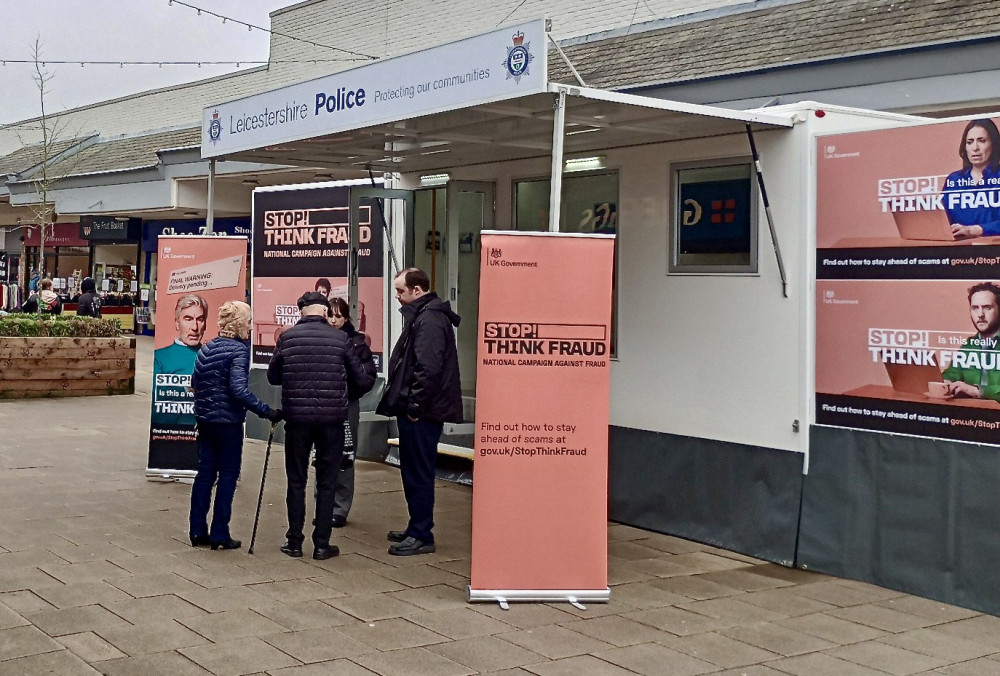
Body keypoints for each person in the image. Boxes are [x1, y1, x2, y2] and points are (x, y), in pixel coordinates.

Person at [267, 291, 374, 560]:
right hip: (332, 422)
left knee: (296, 480)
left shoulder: (288, 338)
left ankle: (294, 541)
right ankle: (322, 544)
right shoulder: (341, 339)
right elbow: (362, 380)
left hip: (297, 421)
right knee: (327, 482)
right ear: (324, 312)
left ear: (301, 311)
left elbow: (272, 376)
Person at [376, 268, 462, 556]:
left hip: (422, 412)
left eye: (400, 291)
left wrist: (414, 407)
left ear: (416, 290)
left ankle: (421, 533)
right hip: (420, 409)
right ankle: (417, 526)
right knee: (413, 471)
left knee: (418, 472)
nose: (398, 297)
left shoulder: (429, 320)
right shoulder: (425, 317)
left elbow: (427, 369)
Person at [189, 301, 282, 550]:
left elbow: (194, 382)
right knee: (228, 474)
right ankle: (220, 533)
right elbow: (238, 390)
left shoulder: (207, 348)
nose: (251, 327)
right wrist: (266, 411)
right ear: (239, 323)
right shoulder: (239, 351)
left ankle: (197, 530)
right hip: (228, 422)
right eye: (249, 322)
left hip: (205, 420)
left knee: (205, 473)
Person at [328, 297, 378, 528]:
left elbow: (368, 376)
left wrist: (349, 389)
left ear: (346, 317)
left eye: (338, 315)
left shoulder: (357, 343)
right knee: (323, 454)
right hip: (324, 403)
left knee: (346, 456)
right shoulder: (322, 338)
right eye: (330, 315)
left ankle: (340, 507)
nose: (334, 320)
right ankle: (324, 503)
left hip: (347, 403)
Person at [943, 282, 1000, 401]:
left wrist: (977, 391)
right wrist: (946, 383)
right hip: (970, 413)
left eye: (987, 307)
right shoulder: (969, 345)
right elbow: (952, 374)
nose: (980, 314)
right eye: (975, 308)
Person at [946, 119, 1000, 238]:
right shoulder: (954, 180)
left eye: (982, 141)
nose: (975, 148)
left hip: (993, 251)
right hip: (957, 250)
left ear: (994, 144)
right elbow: (943, 220)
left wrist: (976, 230)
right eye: (969, 142)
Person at [153, 294, 208, 376]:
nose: (194, 327)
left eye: (200, 320)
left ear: (205, 325)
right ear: (177, 323)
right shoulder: (160, 357)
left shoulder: (212, 356)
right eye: (188, 319)